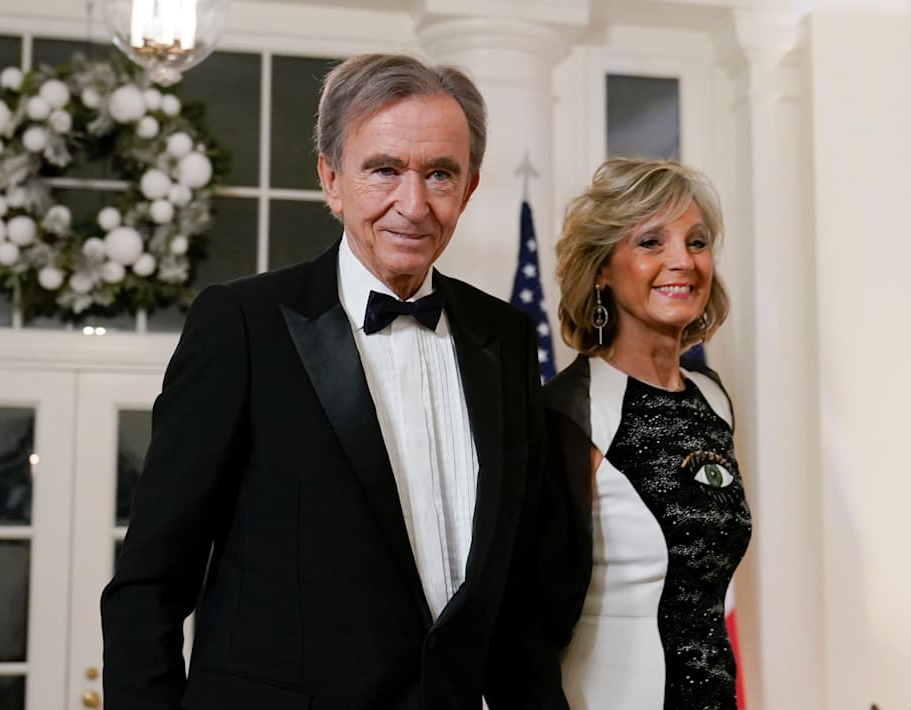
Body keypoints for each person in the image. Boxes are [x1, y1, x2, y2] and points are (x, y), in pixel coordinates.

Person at [100, 53, 566, 710]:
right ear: (331, 179)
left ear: (469, 188)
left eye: (440, 174)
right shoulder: (241, 325)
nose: (414, 205)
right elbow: (149, 584)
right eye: (384, 170)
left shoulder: (507, 339)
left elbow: (515, 596)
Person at [545, 157, 751, 709]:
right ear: (602, 269)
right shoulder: (568, 413)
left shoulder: (713, 399)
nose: (682, 260)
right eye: (651, 242)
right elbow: (525, 621)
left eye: (697, 242)